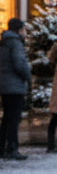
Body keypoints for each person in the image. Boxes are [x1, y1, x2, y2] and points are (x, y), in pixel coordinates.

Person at [0, 17, 31, 161]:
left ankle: (2, 148)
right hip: (14, 86)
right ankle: (12, 148)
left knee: (7, 118)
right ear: (19, 30)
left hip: (4, 85)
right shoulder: (16, 43)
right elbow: (19, 64)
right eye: (24, 30)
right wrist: (28, 75)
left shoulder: (4, 42)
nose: (25, 33)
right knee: (13, 118)